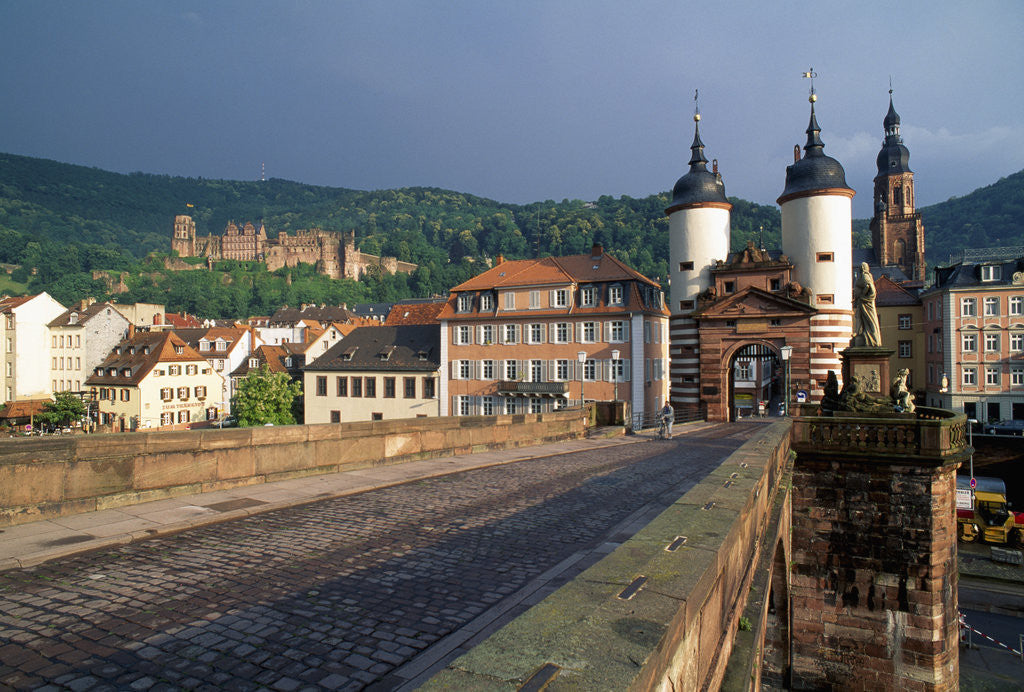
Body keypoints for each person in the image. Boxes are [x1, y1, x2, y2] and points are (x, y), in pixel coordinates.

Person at [852, 262, 882, 347]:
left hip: (865, 302)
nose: (860, 268)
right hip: (861, 301)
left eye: (861, 267)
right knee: (860, 316)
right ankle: (858, 332)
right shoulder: (863, 276)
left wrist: (862, 295)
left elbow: (869, 287)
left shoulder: (865, 276)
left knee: (866, 318)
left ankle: (866, 335)